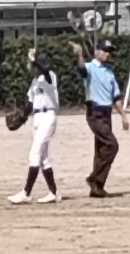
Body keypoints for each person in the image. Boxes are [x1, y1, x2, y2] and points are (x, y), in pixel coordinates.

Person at [70, 39, 129, 198]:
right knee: (112, 145)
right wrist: (79, 54)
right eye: (105, 50)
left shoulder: (110, 73)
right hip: (94, 112)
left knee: (102, 150)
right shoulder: (90, 67)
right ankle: (94, 178)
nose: (108, 54)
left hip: (106, 113)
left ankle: (97, 187)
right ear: (97, 51)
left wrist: (123, 115)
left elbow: (116, 97)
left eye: (109, 51)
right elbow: (81, 69)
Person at [8, 49, 61, 204]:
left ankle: (26, 193)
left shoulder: (50, 76)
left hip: (48, 116)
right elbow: (31, 104)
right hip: (37, 118)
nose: (31, 68)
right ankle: (54, 192)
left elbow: (45, 70)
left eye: (33, 65)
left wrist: (33, 59)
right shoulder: (34, 82)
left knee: (34, 154)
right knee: (43, 158)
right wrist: (22, 116)